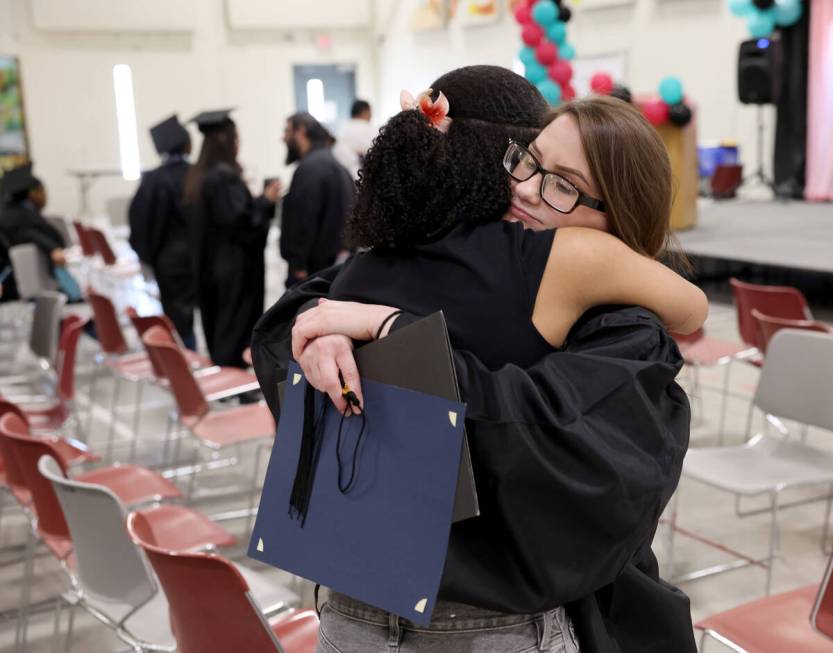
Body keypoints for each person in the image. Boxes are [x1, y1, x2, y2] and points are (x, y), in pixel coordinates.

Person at [253, 67, 703, 653]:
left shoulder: (378, 266)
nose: (524, 188)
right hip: (480, 621)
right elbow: (691, 309)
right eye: (527, 161)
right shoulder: (533, 260)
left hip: (351, 602)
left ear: (619, 214)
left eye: (562, 185)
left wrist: (379, 331)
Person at [183, 109, 280, 368]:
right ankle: (234, 382)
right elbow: (241, 222)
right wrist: (266, 201)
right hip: (232, 271)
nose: (239, 144)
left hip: (212, 267)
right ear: (225, 141)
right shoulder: (222, 177)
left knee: (219, 324)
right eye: (236, 138)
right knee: (234, 330)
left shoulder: (199, 175)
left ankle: (226, 374)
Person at [128, 114, 197, 349]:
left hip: (170, 264)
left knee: (179, 319)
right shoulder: (197, 173)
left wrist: (149, 256)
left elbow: (139, 222)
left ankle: (189, 359)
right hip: (202, 259)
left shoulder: (153, 180)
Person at [280, 112, 354, 289]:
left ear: (301, 131)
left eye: (287, 131)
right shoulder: (335, 164)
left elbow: (302, 220)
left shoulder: (309, 169)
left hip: (312, 272)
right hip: (333, 269)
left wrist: (298, 265)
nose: (283, 137)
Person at [333, 99, 377, 179]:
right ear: (365, 111)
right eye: (370, 111)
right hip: (362, 177)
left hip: (341, 177)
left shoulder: (342, 129)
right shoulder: (369, 129)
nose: (371, 114)